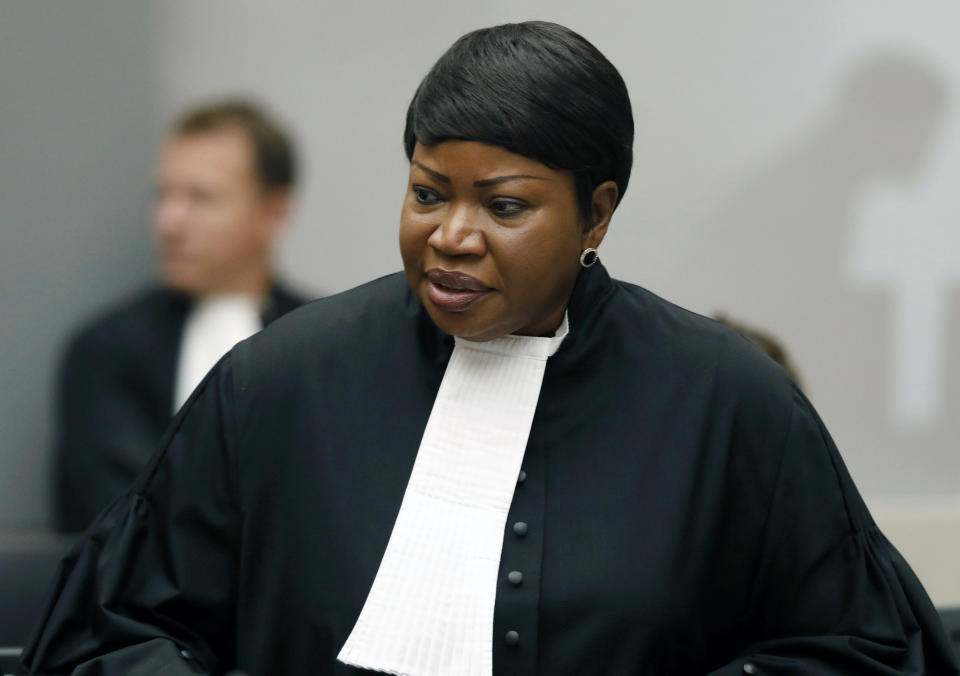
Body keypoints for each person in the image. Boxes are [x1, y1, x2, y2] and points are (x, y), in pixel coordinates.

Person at [24, 21, 959, 676]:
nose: (452, 236)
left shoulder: (727, 400)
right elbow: (114, 633)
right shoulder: (279, 382)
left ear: (597, 211)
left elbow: (868, 650)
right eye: (429, 193)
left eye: (503, 207)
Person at [52, 101, 307, 533]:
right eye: (164, 195)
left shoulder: (320, 339)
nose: (169, 221)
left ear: (273, 211)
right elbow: (112, 519)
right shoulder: (107, 349)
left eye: (200, 198)